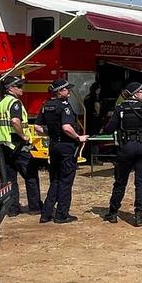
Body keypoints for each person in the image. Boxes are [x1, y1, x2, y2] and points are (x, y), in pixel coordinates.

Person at [102, 82, 142, 227]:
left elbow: (109, 128)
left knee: (120, 181)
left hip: (126, 148)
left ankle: (113, 212)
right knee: (141, 182)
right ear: (135, 94)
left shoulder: (120, 109)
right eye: (141, 92)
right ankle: (139, 215)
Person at [37, 78, 89, 223]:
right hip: (66, 147)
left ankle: (46, 213)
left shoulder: (46, 106)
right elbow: (67, 127)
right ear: (60, 91)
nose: (70, 93)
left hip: (53, 146)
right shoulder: (64, 106)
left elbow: (37, 127)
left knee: (55, 180)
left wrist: (53, 134)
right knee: (66, 181)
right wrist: (78, 137)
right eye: (67, 90)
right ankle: (62, 214)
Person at [0, 75, 41, 216]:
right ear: (11, 88)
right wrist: (23, 136)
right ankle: (35, 207)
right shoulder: (15, 103)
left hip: (4, 146)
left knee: (10, 179)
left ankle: (12, 208)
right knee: (31, 175)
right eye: (19, 86)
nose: (22, 89)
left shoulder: (1, 103)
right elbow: (15, 121)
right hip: (17, 145)